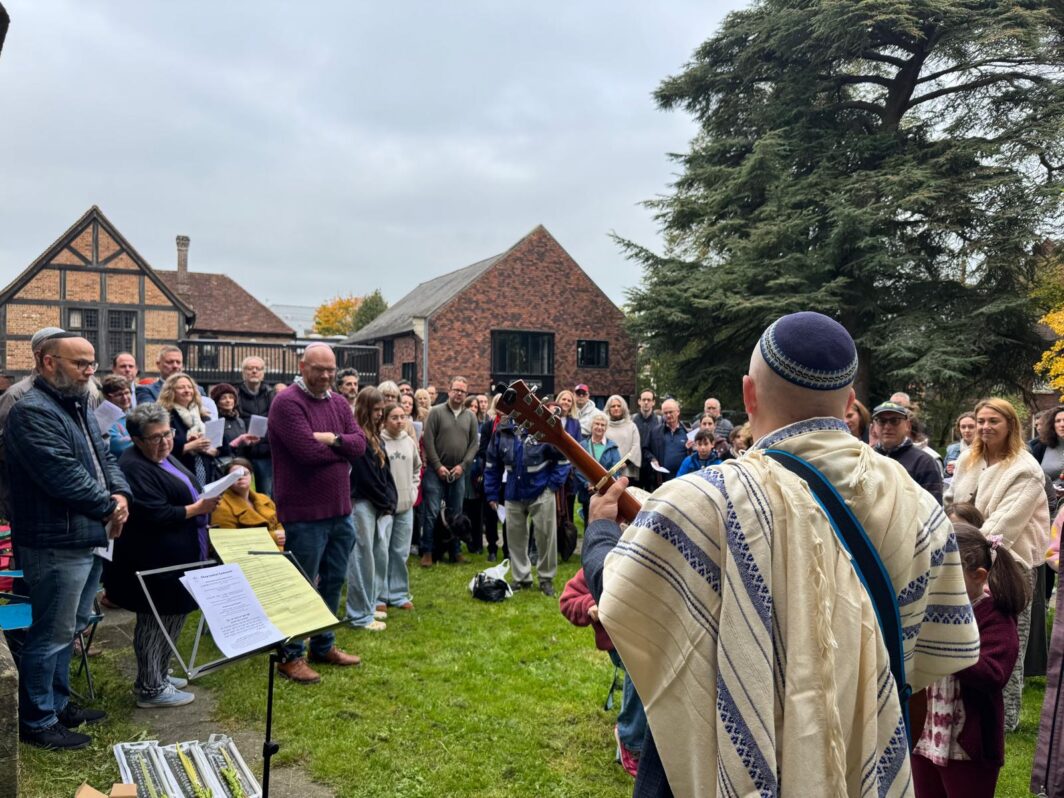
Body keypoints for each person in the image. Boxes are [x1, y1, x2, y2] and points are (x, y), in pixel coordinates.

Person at [583, 311, 979, 796]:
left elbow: (620, 596)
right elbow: (925, 669)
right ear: (850, 401)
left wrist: (601, 528)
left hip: (712, 761)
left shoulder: (703, 500)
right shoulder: (919, 508)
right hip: (866, 767)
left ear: (749, 393)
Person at [6, 332, 131, 749]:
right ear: (47, 362)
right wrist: (108, 507)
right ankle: (38, 722)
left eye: (93, 363)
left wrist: (121, 494)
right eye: (80, 363)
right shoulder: (30, 411)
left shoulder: (78, 404)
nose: (90, 371)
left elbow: (105, 457)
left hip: (86, 535)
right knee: (50, 632)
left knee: (72, 626)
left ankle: (59, 706)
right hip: (54, 539)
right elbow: (61, 475)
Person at [105, 402, 219, 709]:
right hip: (153, 562)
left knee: (171, 619)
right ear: (137, 440)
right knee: (156, 620)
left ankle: (158, 673)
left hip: (179, 556)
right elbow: (152, 513)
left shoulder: (164, 457)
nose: (165, 442)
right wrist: (198, 509)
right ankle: (151, 688)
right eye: (155, 437)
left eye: (167, 433)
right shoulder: (133, 465)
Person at [946, 396, 1049, 731]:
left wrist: (956, 545)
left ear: (1010, 426)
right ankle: (963, 706)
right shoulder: (967, 459)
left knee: (1007, 642)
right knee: (965, 633)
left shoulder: (1025, 470)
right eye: (982, 421)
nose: (986, 427)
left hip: (1009, 563)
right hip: (964, 560)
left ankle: (1006, 717)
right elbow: (952, 502)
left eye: (995, 421)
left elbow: (1003, 526)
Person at [268, 342, 367, 683]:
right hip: (304, 514)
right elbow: (305, 452)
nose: (326, 376)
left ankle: (323, 643)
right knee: (300, 583)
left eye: (331, 369)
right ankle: (290, 655)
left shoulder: (339, 403)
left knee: (334, 580)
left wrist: (333, 440)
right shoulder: (286, 404)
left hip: (340, 511)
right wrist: (342, 447)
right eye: (318, 369)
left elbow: (360, 444)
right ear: (302, 365)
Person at [911, 524, 1028, 797]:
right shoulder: (925, 609)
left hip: (967, 747)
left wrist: (946, 645)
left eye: (946, 576)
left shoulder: (994, 615)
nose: (934, 581)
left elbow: (994, 674)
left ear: (979, 576)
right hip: (925, 735)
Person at [560, 567, 647, 777]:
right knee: (641, 667)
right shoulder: (604, 559)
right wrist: (592, 604)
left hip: (650, 635)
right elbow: (567, 601)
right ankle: (629, 738)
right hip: (621, 645)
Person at [483, 411, 570, 596]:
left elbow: (563, 458)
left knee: (546, 537)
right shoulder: (502, 431)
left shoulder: (543, 428)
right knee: (515, 538)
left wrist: (552, 486)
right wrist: (492, 494)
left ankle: (546, 579)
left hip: (541, 490)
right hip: (513, 492)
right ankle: (521, 578)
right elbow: (492, 465)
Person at [345, 387, 396, 631]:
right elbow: (365, 478)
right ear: (365, 409)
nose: (379, 414)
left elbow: (385, 475)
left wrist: (389, 500)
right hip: (362, 502)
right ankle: (358, 615)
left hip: (377, 503)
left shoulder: (376, 436)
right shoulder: (358, 437)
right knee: (361, 557)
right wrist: (385, 501)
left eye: (381, 410)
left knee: (376, 556)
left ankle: (370, 605)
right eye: (376, 410)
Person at [419, 376, 478, 567]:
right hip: (436, 471)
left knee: (457, 513)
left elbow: (473, 445)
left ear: (466, 394)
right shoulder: (435, 412)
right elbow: (428, 440)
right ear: (449, 390)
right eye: (456, 390)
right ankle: (427, 551)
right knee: (431, 511)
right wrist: (437, 466)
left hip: (459, 472)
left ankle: (455, 552)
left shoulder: (470, 416)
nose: (459, 393)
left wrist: (463, 465)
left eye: (463, 391)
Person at [381, 402, 421, 609]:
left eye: (402, 417)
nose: (399, 421)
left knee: (400, 551)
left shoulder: (409, 442)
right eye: (394, 417)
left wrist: (413, 491)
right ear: (385, 420)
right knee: (382, 551)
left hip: (406, 505)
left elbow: (417, 468)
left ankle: (398, 594)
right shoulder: (379, 442)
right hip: (385, 507)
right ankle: (379, 595)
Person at [872, 401, 944, 504]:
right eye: (881, 421)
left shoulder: (924, 463)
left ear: (908, 426)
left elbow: (933, 508)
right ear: (874, 427)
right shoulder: (866, 458)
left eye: (895, 421)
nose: (887, 426)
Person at [210, 458, 285, 547]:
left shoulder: (264, 499)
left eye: (245, 474)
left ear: (251, 476)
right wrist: (271, 537)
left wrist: (281, 533)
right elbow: (227, 541)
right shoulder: (221, 506)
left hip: (278, 553)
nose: (241, 477)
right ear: (227, 480)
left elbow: (278, 522)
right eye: (235, 475)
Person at [159, 374, 218, 486]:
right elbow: (162, 448)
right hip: (178, 472)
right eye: (181, 387)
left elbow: (222, 445)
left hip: (207, 471)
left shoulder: (204, 416)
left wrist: (209, 449)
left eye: (189, 387)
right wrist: (191, 446)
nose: (187, 390)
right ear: (171, 391)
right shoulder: (164, 417)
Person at [235, 355, 274, 495]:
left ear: (263, 373)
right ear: (243, 372)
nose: (254, 371)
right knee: (240, 494)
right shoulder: (235, 394)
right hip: (243, 453)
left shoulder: (271, 394)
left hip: (265, 452)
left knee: (266, 494)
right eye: (250, 368)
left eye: (258, 368)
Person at [573, 411, 620, 524]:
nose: (599, 427)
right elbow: (577, 468)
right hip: (587, 494)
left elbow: (616, 468)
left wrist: (603, 485)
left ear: (606, 428)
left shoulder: (612, 447)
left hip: (605, 494)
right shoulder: (582, 446)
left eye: (602, 425)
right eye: (597, 424)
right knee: (587, 525)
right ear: (591, 426)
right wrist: (587, 484)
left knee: (604, 523)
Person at [209, 383, 259, 466]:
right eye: (223, 398)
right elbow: (215, 449)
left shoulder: (240, 421)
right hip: (224, 465)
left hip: (241, 463)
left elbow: (243, 449)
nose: (228, 400)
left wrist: (250, 444)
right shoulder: (215, 421)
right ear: (217, 402)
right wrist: (236, 442)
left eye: (231, 397)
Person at [135, 345, 205, 404]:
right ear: (158, 364)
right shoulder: (146, 391)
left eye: (178, 362)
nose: (175, 366)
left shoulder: (198, 390)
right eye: (169, 362)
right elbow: (151, 416)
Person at [604, 395, 641, 483]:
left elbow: (636, 446)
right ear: (608, 409)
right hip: (608, 470)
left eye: (619, 406)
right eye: (613, 406)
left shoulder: (631, 426)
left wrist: (625, 463)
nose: (616, 408)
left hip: (627, 470)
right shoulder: (604, 426)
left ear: (623, 408)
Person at [633, 388, 663, 490]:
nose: (646, 402)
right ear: (639, 401)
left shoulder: (659, 421)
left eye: (649, 400)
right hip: (635, 469)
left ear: (653, 402)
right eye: (644, 399)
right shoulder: (632, 420)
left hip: (653, 470)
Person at [100, 375, 134, 457]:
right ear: (108, 397)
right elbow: (119, 446)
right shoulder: (103, 419)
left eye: (127, 393)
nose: (125, 398)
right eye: (119, 395)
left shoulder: (131, 414)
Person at [944, 411, 977, 477]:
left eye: (971, 427)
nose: (967, 430)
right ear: (959, 429)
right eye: (963, 427)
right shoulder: (952, 449)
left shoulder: (986, 448)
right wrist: (948, 471)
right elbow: (944, 475)